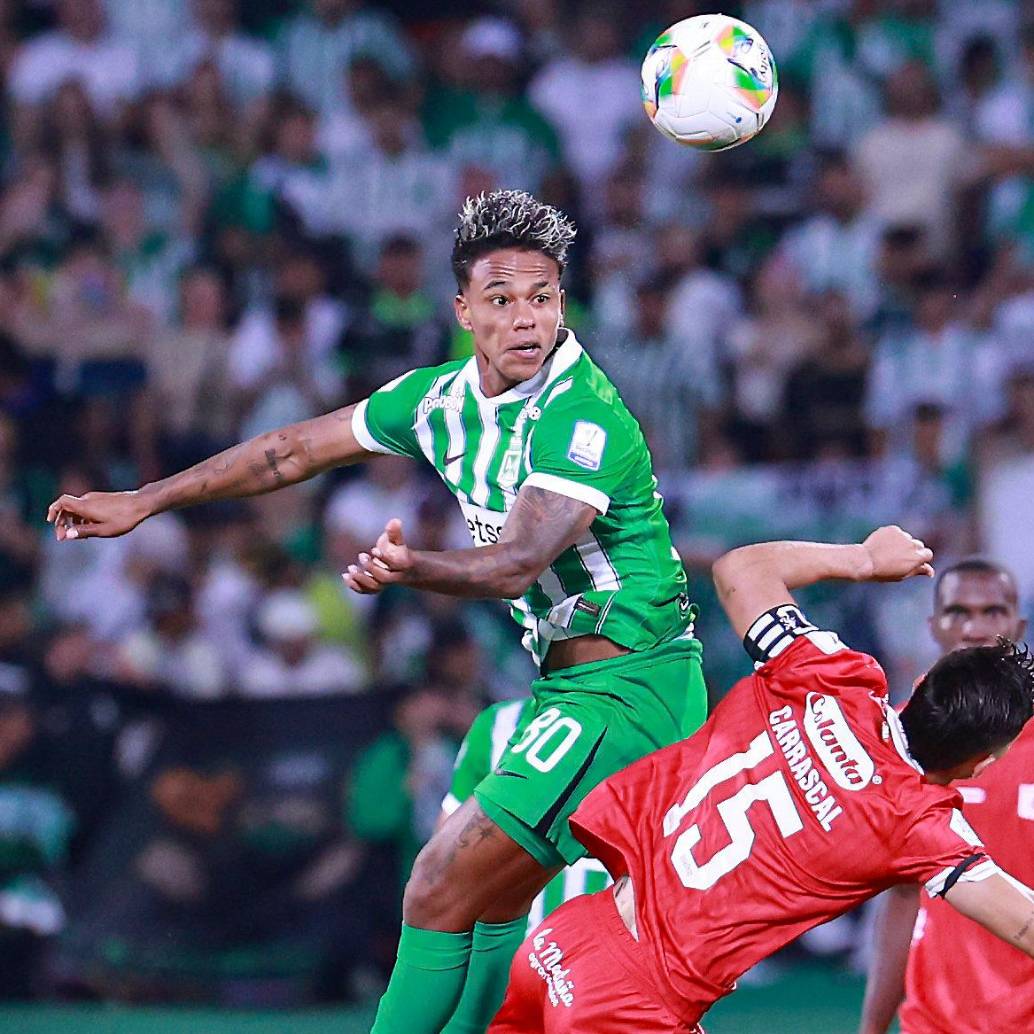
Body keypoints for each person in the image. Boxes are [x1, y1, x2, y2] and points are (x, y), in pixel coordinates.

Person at [45, 189, 707, 1034]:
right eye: (502, 300)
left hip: (634, 690)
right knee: (490, 899)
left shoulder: (582, 416)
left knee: (437, 885)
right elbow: (289, 450)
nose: (526, 318)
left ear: (562, 304)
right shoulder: (437, 401)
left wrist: (410, 567)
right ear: (463, 310)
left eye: (542, 297)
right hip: (575, 691)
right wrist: (146, 498)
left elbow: (517, 563)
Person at [491, 526, 1034, 1034]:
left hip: (567, 937)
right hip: (631, 1001)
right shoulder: (913, 821)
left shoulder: (833, 678)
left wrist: (863, 559)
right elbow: (1024, 925)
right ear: (985, 761)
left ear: (919, 692)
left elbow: (741, 570)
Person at [859, 558, 1031, 1034]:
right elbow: (903, 895)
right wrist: (872, 1026)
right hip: (931, 1023)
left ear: (1017, 623)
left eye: (992, 611)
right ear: (934, 625)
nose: (974, 627)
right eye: (958, 611)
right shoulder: (896, 738)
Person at [442, 697, 611, 934]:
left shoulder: (669, 724)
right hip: (516, 939)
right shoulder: (497, 724)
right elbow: (449, 859)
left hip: (612, 945)